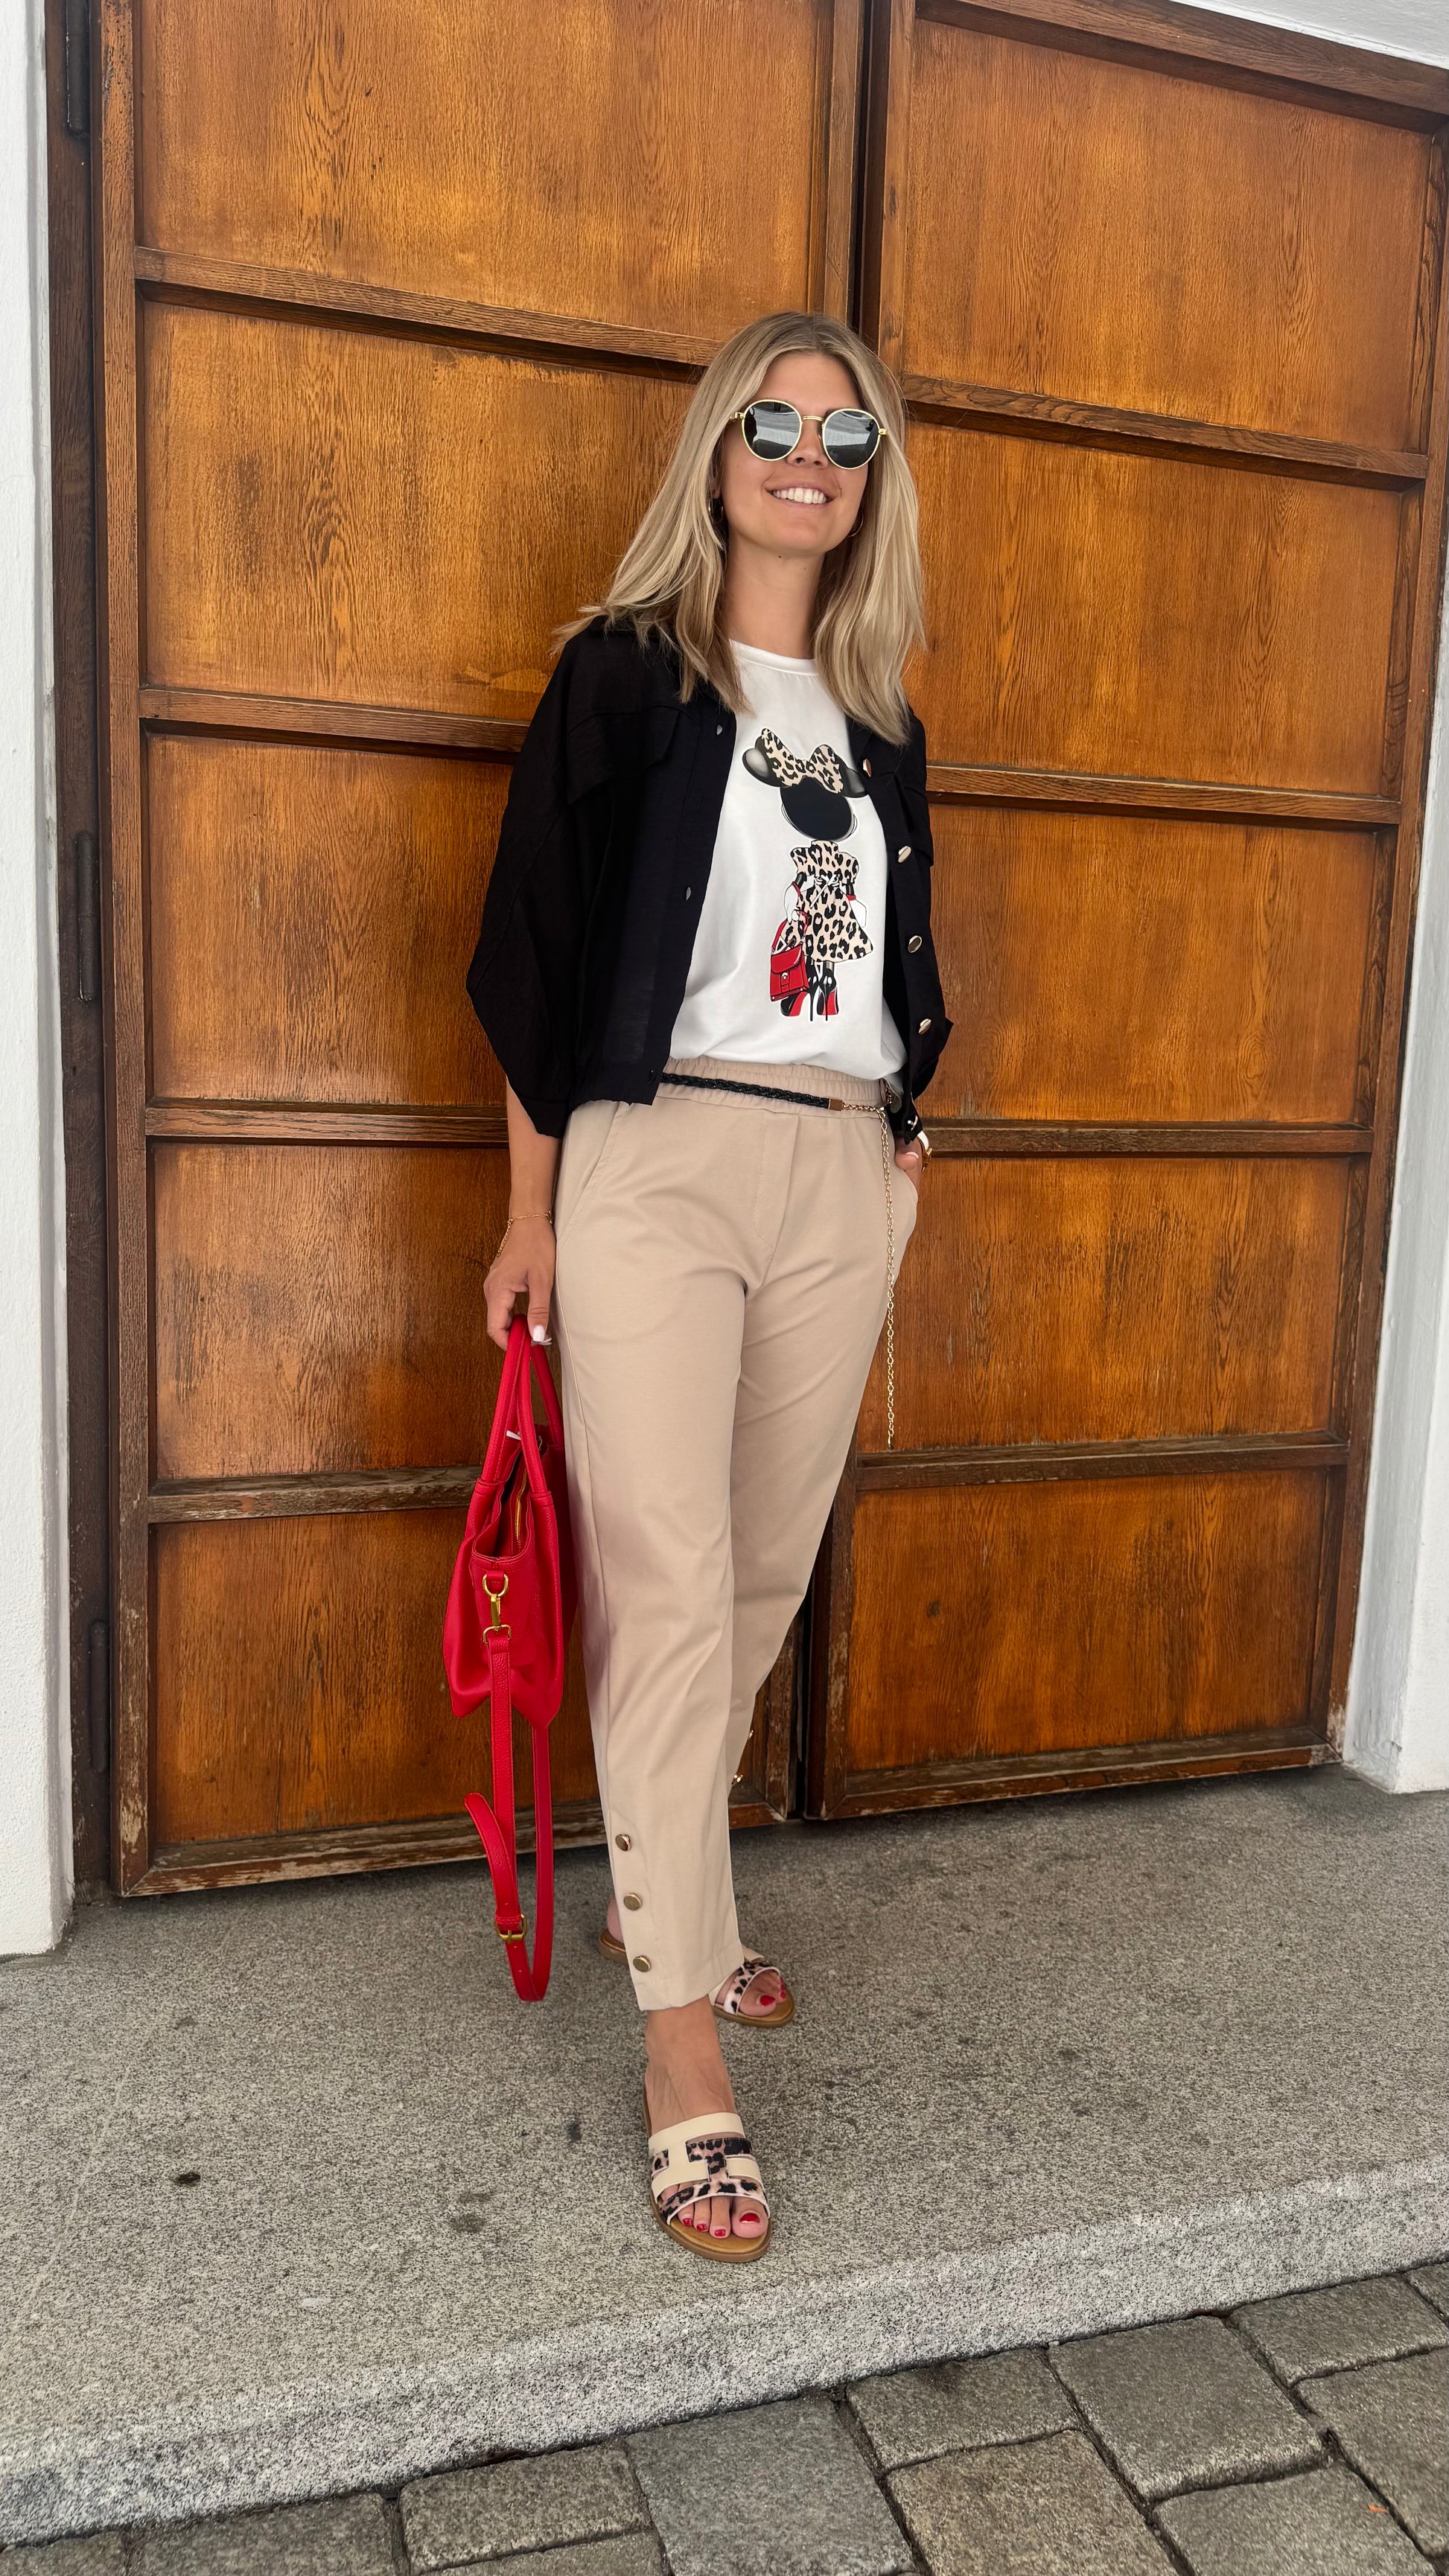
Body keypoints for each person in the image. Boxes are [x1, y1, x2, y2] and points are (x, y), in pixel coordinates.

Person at [466, 309, 951, 2262]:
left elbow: (890, 953)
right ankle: (681, 2038)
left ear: (869, 479)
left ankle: (655, 1882)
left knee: (756, 1570)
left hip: (832, 1162)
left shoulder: (880, 715)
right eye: (773, 423)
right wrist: (531, 1214)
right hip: (652, 1159)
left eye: (844, 434)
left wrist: (895, 1138)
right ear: (719, 452)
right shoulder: (623, 677)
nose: (805, 458)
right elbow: (530, 951)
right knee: (666, 1582)